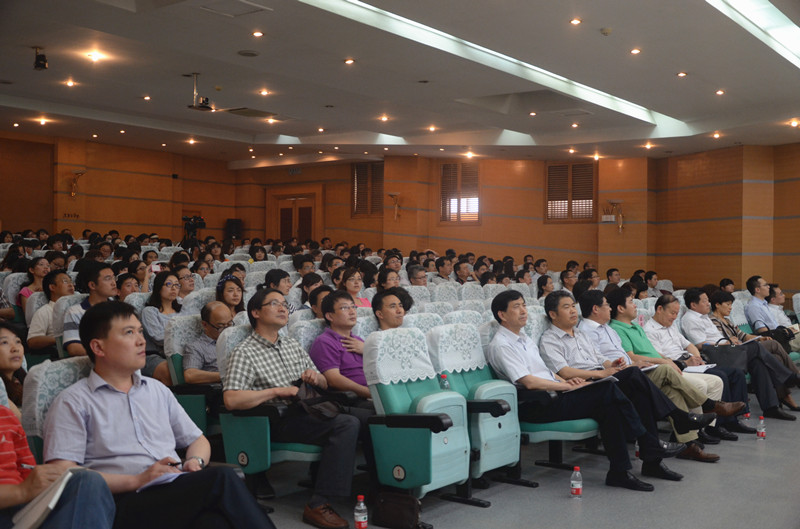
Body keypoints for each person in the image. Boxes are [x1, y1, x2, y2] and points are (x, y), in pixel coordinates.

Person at [43, 301, 275, 529]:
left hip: (171, 487)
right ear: (98, 347)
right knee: (222, 478)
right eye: (129, 333)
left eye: (140, 331)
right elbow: (62, 475)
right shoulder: (74, 402)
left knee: (215, 523)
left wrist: (195, 462)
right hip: (120, 501)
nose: (141, 340)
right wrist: (138, 479)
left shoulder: (156, 389)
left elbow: (197, 440)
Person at [488, 291, 686, 491]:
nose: (524, 311)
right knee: (611, 389)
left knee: (617, 402)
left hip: (555, 393)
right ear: (502, 315)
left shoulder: (524, 339)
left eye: (524, 305)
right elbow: (528, 382)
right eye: (517, 307)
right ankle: (654, 439)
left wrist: (566, 381)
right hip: (537, 403)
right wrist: (567, 385)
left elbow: (546, 373)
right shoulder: (502, 345)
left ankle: (622, 471)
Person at [540, 291, 721, 482]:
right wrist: (602, 373)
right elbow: (565, 371)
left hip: (601, 380)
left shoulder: (580, 334)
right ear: (553, 314)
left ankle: (647, 463)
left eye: (572, 306)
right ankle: (673, 423)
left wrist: (612, 365)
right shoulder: (549, 339)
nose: (572, 311)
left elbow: (600, 359)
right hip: (583, 386)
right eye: (566, 307)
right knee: (635, 377)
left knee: (640, 395)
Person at [223, 287, 361, 529]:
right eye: (274, 303)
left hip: (309, 408)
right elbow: (231, 399)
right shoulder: (244, 352)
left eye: (284, 304)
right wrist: (276, 391)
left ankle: (380, 491)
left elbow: (324, 381)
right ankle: (319, 503)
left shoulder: (291, 344)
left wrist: (316, 378)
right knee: (346, 424)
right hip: (277, 418)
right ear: (255, 312)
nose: (282, 308)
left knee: (371, 416)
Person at [577, 290, 739, 450]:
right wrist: (639, 364)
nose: (610, 308)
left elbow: (606, 357)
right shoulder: (589, 331)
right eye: (606, 305)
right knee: (666, 370)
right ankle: (706, 405)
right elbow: (597, 362)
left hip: (631, 370)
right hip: (618, 377)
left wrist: (624, 364)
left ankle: (688, 442)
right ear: (596, 309)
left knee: (672, 390)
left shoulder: (608, 329)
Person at [681, 287, 800, 420]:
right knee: (758, 347)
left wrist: (731, 342)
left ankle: (771, 408)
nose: (708, 303)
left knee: (758, 363)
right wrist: (727, 343)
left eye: (708, 300)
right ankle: (789, 376)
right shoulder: (690, 319)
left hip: (728, 350)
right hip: (717, 354)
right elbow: (700, 345)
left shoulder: (705, 317)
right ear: (693, 304)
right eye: (704, 301)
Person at [0, 403, 115, 529]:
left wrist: (44, 483)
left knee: (89, 481)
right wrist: (22, 491)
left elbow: (27, 471)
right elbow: (26, 489)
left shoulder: (7, 416)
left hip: (21, 511)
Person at [710, 289, 800, 411]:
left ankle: (784, 397)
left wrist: (759, 338)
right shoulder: (714, 321)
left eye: (731, 304)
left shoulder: (728, 321)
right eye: (728, 304)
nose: (731, 307)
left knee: (776, 357)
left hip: (741, 349)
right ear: (717, 305)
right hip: (732, 353)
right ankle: (793, 376)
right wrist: (732, 340)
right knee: (773, 344)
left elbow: (743, 335)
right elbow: (722, 341)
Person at [308, 291, 371, 399]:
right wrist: (371, 394)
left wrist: (367, 350)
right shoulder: (324, 342)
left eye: (353, 307)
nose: (352, 312)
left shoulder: (358, 340)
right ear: (330, 316)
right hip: (353, 399)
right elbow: (334, 380)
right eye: (344, 308)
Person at [63, 262, 118, 357]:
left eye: (113, 278)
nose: (114, 283)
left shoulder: (120, 309)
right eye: (108, 279)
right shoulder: (75, 312)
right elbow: (74, 348)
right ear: (92, 285)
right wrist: (109, 354)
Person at [140, 271, 181, 386]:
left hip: (182, 352)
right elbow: (158, 338)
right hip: (155, 355)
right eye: (169, 284)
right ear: (158, 287)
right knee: (171, 371)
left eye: (176, 284)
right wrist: (184, 340)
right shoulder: (150, 311)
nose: (174, 288)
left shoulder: (182, 309)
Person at [27, 270, 75, 357]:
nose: (71, 285)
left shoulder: (77, 309)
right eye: (65, 281)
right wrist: (60, 339)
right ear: (52, 287)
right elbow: (32, 341)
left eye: (71, 281)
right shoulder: (44, 311)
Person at [183, 301, 232, 384]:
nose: (227, 330)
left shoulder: (236, 338)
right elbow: (190, 375)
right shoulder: (196, 347)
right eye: (220, 326)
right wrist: (226, 376)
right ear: (205, 325)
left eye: (229, 324)